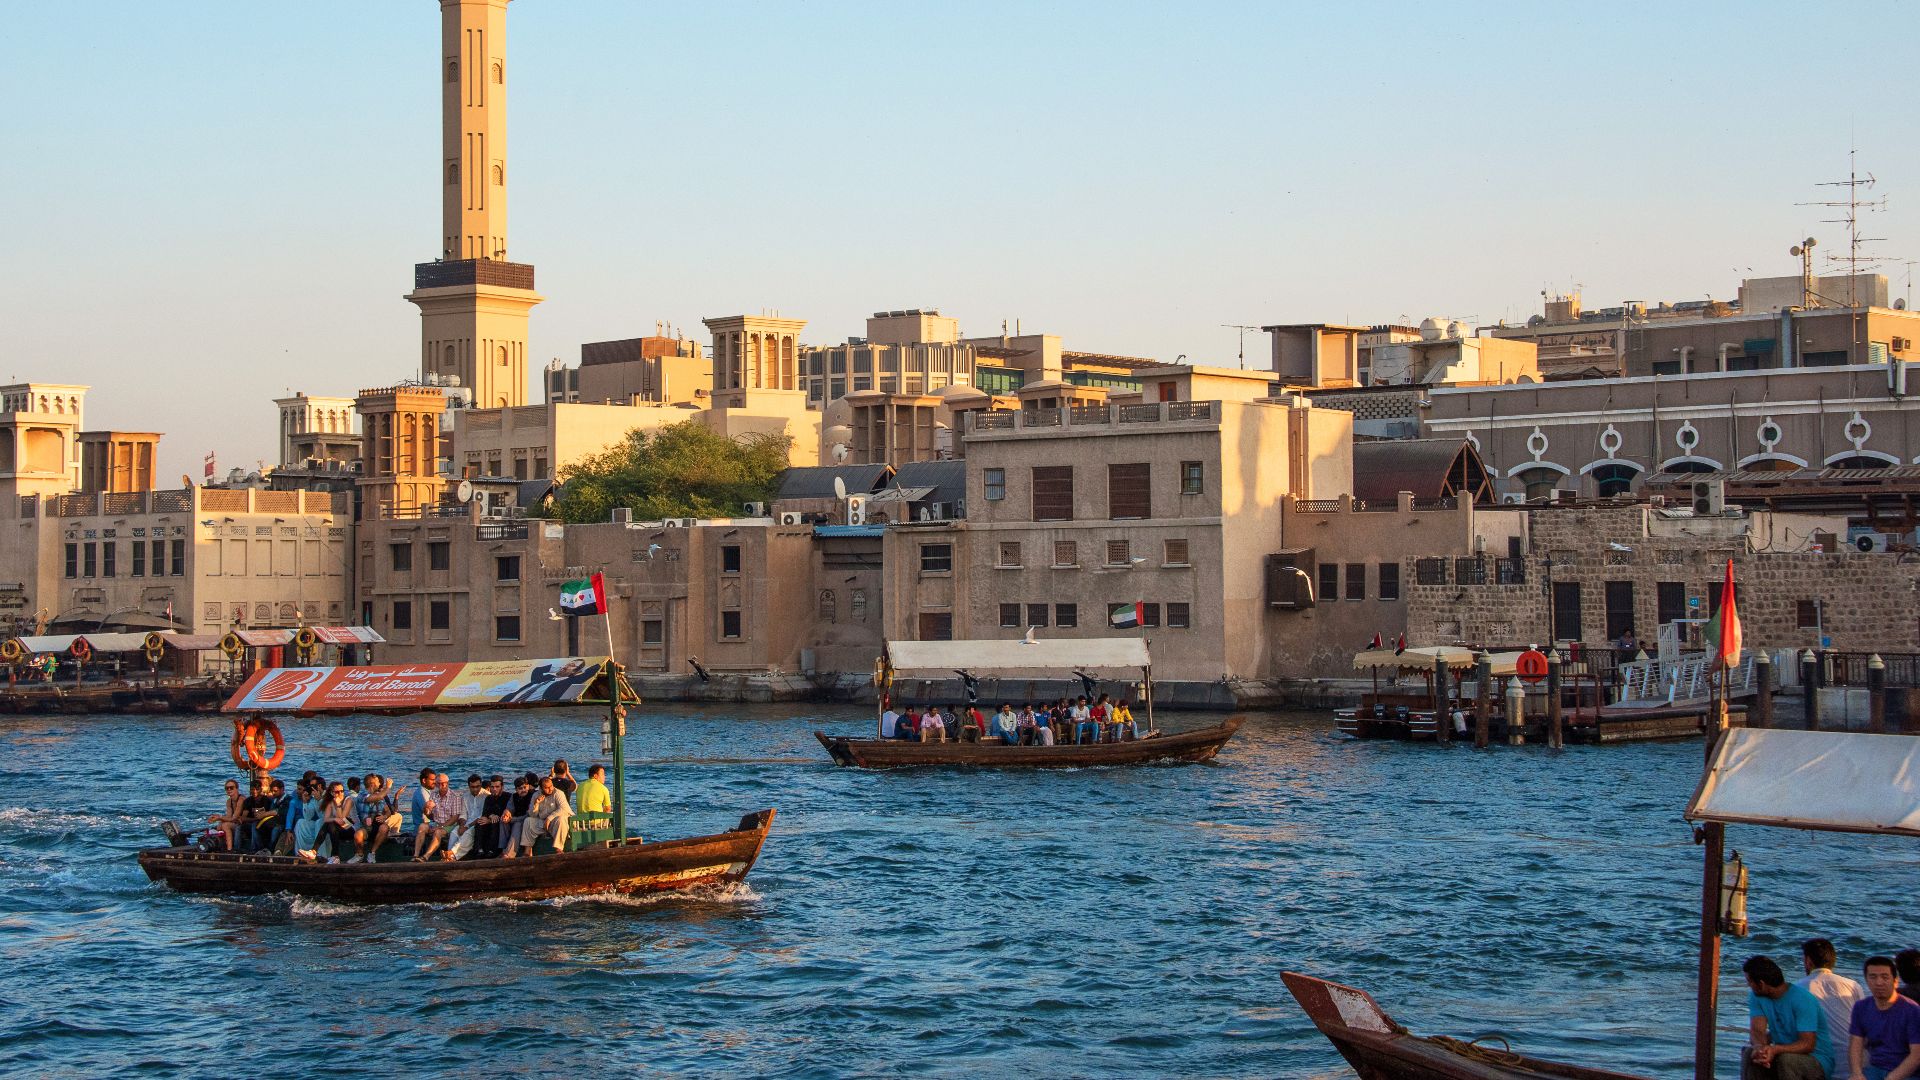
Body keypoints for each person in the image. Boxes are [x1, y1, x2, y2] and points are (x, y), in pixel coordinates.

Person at [1742, 954, 1831, 1080]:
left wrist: (1775, 1050)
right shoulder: (1756, 996)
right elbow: (1757, 1030)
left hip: (1816, 1059)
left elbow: (1808, 1044)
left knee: (1787, 1060)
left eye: (1749, 981)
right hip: (1782, 1053)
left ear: (1761, 984)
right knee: (1750, 1054)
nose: (1748, 985)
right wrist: (1760, 1049)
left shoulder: (1802, 999)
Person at [1802, 938, 1867, 1079]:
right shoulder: (1853, 985)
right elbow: (1865, 1024)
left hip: (1820, 1065)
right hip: (1855, 1065)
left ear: (1808, 961)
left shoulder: (1797, 988)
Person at [1850, 956, 1920, 1080]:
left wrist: (1892, 1078)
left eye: (1885, 977)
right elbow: (1856, 1043)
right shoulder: (1861, 1007)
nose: (1879, 982)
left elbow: (1916, 1055)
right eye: (1873, 977)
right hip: (1875, 1068)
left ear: (1895, 981)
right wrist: (1857, 1073)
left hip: (1907, 1072)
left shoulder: (1912, 1010)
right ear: (1866, 980)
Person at [517, 775, 572, 856]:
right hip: (543, 822)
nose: (550, 789)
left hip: (555, 821)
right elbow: (533, 815)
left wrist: (549, 818)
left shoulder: (558, 793)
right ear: (541, 788)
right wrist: (536, 804)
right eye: (546, 788)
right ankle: (527, 851)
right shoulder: (536, 795)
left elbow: (564, 809)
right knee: (528, 821)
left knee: (561, 819)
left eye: (551, 786)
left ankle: (559, 849)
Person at [318, 781, 363, 865]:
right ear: (332, 793)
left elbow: (342, 818)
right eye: (337, 792)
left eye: (342, 791)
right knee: (330, 825)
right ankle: (314, 851)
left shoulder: (348, 800)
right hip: (339, 827)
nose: (340, 793)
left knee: (332, 825)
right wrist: (334, 819)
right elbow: (326, 819)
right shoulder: (331, 802)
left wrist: (338, 805)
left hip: (352, 827)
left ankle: (334, 856)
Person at [447, 774, 491, 860]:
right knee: (454, 833)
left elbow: (482, 816)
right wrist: (461, 826)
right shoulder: (465, 796)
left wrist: (466, 827)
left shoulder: (487, 796)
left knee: (468, 833)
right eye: (472, 787)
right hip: (466, 823)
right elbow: (463, 814)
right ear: (469, 786)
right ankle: (447, 855)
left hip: (479, 824)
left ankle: (452, 856)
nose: (475, 789)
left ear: (481, 785)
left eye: (477, 786)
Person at [501, 773, 537, 858]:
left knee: (518, 825)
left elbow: (528, 815)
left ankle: (509, 854)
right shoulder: (514, 796)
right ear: (516, 790)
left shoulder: (532, 795)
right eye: (520, 789)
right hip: (516, 819)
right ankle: (502, 849)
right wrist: (506, 813)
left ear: (528, 786)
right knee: (502, 820)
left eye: (525, 787)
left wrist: (512, 819)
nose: (523, 790)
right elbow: (509, 808)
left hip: (529, 820)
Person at [208, 779, 243, 851]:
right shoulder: (229, 801)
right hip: (236, 821)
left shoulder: (241, 799)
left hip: (243, 822)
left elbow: (234, 818)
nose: (229, 790)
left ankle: (229, 849)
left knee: (225, 825)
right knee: (219, 825)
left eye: (231, 788)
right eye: (227, 788)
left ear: (236, 788)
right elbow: (229, 816)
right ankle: (222, 845)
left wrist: (219, 818)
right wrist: (217, 817)